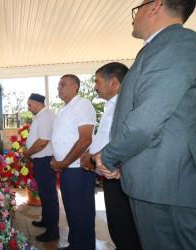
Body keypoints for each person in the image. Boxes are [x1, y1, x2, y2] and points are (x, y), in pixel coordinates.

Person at [93, 1, 196, 249]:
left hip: (168, 185)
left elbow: (146, 120)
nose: (135, 17)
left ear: (155, 6)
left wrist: (109, 157)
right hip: (158, 184)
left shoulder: (178, 42)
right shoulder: (161, 46)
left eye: (138, 9)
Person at [80, 62, 142, 250]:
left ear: (114, 82)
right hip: (108, 174)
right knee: (116, 227)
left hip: (118, 176)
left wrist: (92, 159)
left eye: (98, 81)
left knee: (125, 229)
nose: (95, 87)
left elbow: (122, 142)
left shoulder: (126, 106)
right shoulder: (111, 105)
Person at [50, 74, 96, 250]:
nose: (59, 87)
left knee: (82, 213)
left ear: (75, 86)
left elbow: (85, 140)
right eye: (59, 84)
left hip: (77, 168)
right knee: (72, 212)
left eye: (63, 84)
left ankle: (84, 246)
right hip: (67, 169)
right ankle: (74, 245)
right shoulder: (63, 108)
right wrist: (56, 158)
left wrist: (64, 163)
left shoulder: (82, 104)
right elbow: (62, 137)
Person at [22, 93, 58, 242]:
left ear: (37, 104)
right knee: (44, 194)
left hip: (44, 160)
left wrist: (28, 153)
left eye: (30, 105)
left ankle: (52, 231)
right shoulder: (42, 115)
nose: (29, 108)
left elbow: (43, 141)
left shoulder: (45, 116)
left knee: (49, 196)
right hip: (41, 160)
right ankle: (46, 220)